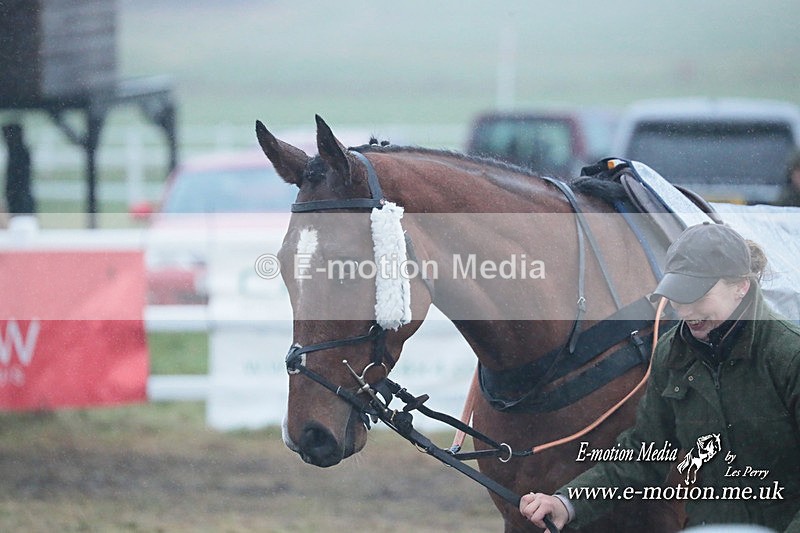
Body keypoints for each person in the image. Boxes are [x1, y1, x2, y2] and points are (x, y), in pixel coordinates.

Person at [520, 223, 800, 532]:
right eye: (678, 297)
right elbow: (644, 452)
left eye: (698, 296)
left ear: (740, 287)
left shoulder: (790, 354)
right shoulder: (671, 354)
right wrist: (567, 504)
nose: (685, 310)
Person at [3, 122, 36, 215]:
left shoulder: (18, 153)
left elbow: (17, 179)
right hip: (19, 202)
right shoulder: (18, 152)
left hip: (20, 204)